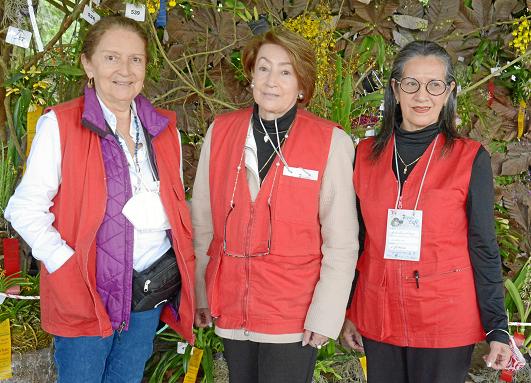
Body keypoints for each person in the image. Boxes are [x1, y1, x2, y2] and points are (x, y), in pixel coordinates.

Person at [4, 16, 195, 383]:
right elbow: (24, 208)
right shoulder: (60, 124)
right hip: (86, 289)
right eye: (111, 58)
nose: (125, 70)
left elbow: (173, 205)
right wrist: (64, 264)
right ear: (87, 64)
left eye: (135, 60)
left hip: (146, 289)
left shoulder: (164, 129)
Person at [192, 27, 358, 383]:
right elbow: (203, 223)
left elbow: (341, 242)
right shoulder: (220, 133)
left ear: (301, 85)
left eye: (286, 71)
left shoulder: (331, 142)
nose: (271, 80)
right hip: (233, 309)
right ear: (251, 75)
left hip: (293, 317)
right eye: (263, 68)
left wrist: (326, 314)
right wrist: (202, 293)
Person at [341, 40, 512, 383]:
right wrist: (349, 311)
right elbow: (355, 242)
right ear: (395, 89)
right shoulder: (364, 155)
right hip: (379, 314)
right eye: (411, 84)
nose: (422, 96)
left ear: (449, 91)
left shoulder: (469, 158)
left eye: (435, 85)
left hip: (444, 318)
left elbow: (483, 246)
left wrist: (497, 327)